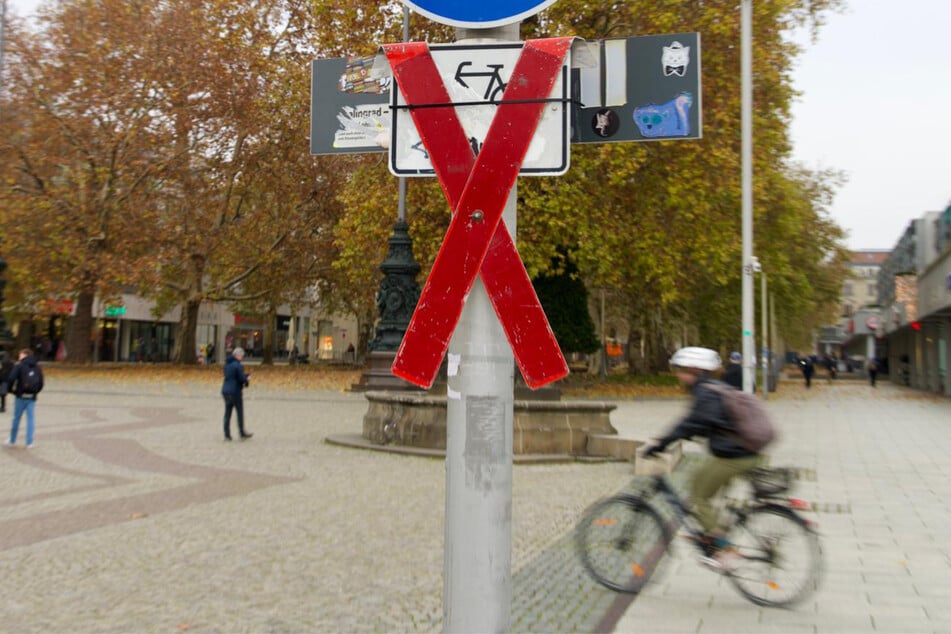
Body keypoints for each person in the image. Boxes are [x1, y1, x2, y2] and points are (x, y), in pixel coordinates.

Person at [641, 347, 766, 569]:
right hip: (744, 453)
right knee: (708, 492)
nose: (678, 375)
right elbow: (699, 424)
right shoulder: (714, 388)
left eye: (681, 370)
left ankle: (724, 550)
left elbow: (690, 424)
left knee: (699, 494)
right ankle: (714, 536)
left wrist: (660, 444)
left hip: (737, 457)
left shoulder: (705, 393)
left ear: (693, 370)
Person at [5, 349, 44, 448]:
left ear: (25, 355)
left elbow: (11, 379)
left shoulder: (19, 366)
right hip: (32, 396)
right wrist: (35, 391)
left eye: (20, 354)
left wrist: (12, 391)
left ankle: (12, 439)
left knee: (16, 418)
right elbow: (41, 382)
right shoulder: (37, 367)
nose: (19, 356)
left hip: (20, 395)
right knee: (30, 419)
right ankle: (29, 442)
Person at [221, 347, 252, 441]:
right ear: (237, 355)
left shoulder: (227, 364)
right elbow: (241, 378)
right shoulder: (237, 365)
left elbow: (231, 376)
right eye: (241, 355)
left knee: (227, 413)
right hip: (235, 392)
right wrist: (247, 378)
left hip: (225, 390)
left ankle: (227, 434)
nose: (242, 357)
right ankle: (241, 432)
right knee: (239, 412)